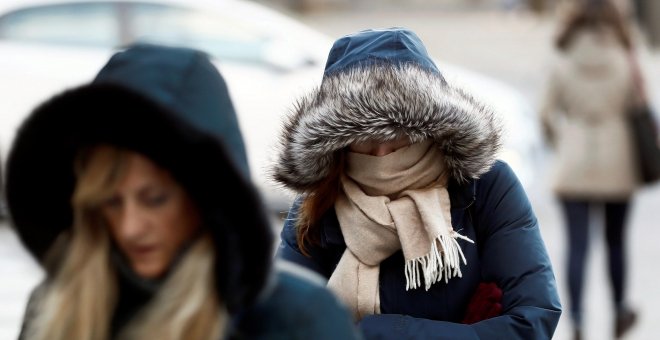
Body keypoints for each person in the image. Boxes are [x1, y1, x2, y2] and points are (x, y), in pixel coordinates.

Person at [7, 43, 360, 340]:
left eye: (154, 199)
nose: (130, 226)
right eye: (111, 201)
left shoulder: (290, 318)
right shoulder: (55, 307)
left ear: (207, 197)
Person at [272, 27, 561, 339]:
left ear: (431, 128)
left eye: (399, 134)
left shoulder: (486, 186)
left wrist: (386, 332)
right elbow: (278, 323)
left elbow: (533, 320)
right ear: (338, 144)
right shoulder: (319, 203)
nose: (383, 153)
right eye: (364, 138)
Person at [540, 1, 642, 339]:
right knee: (616, 242)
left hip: (574, 160)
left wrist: (563, 142)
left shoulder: (563, 54)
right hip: (619, 159)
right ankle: (618, 311)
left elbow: (545, 113)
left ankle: (579, 320)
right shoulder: (625, 55)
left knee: (577, 246)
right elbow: (639, 106)